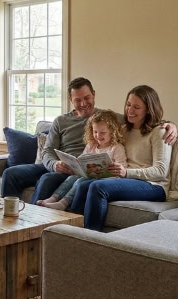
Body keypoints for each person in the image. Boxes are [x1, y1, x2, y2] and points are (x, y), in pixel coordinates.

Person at [0, 76, 176, 250]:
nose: (130, 110)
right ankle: (6, 233)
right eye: (128, 105)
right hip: (67, 166)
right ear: (70, 100)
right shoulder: (75, 122)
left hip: (139, 180)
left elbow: (156, 144)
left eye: (87, 98)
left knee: (69, 182)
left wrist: (170, 125)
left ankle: (69, 239)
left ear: (94, 95)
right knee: (14, 173)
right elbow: (48, 151)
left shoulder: (115, 119)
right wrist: (55, 164)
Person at [68, 85, 172, 231]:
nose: (130, 110)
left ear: (148, 109)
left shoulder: (159, 132)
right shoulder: (123, 130)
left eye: (136, 107)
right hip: (127, 179)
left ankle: (90, 237)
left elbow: (161, 171)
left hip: (153, 185)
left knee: (98, 187)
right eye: (128, 104)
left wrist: (126, 172)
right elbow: (104, 125)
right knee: (84, 184)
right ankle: (70, 231)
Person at [38, 109, 126, 211]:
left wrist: (114, 168)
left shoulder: (117, 148)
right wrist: (76, 165)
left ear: (112, 131)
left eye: (103, 132)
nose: (98, 136)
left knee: (81, 180)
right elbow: (82, 159)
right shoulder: (91, 145)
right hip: (90, 175)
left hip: (107, 179)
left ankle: (63, 203)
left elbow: (122, 167)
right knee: (72, 178)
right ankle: (53, 198)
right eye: (95, 132)